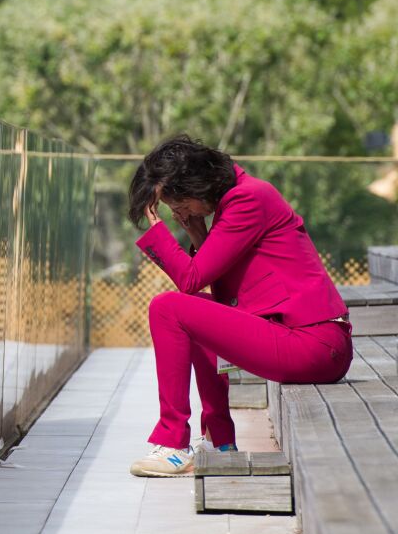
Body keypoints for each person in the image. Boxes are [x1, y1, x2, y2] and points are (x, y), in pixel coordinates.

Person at [127, 135, 351, 477]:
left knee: (167, 307)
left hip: (314, 343)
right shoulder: (238, 201)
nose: (176, 212)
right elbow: (226, 297)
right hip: (299, 338)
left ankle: (172, 444)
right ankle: (220, 440)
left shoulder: (249, 198)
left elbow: (189, 278)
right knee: (188, 311)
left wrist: (157, 229)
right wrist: (200, 237)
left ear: (197, 185)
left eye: (177, 201)